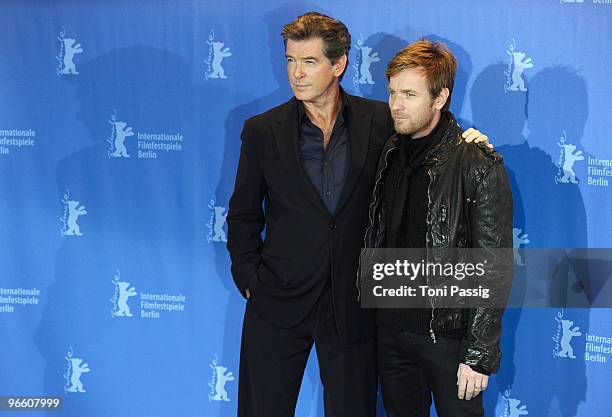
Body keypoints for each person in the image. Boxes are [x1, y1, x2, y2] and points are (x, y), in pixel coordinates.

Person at [227, 13, 490, 417]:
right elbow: (243, 214)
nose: (296, 74)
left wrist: (466, 144)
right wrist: (250, 281)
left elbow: (430, 142)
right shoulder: (262, 130)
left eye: (309, 62)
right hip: (278, 300)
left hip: (353, 304)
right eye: (290, 61)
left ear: (339, 64)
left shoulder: (383, 121)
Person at [362, 39, 513, 417]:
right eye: (393, 92)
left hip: (450, 339)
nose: (396, 105)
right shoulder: (389, 152)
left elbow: (494, 264)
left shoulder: (476, 162)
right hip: (392, 333)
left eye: (409, 94)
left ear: (440, 97)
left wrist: (478, 354)